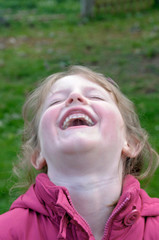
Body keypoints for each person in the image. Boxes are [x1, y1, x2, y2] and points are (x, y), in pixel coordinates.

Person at [0, 66, 159, 240]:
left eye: (95, 96)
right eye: (55, 102)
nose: (74, 97)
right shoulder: (7, 232)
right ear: (38, 154)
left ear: (130, 143)